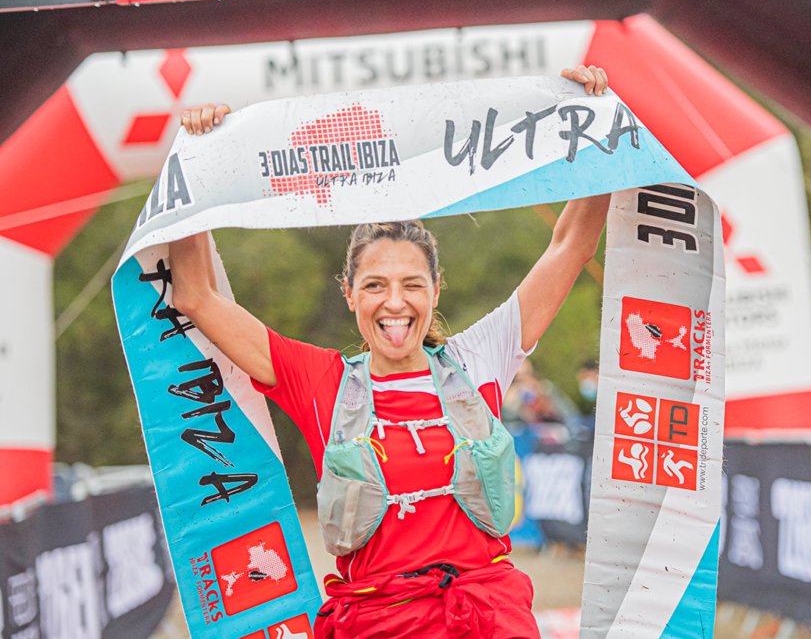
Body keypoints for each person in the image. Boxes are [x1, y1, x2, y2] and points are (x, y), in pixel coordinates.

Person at [170, 65, 610, 639]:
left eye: (412, 284)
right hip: (381, 623)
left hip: (486, 618)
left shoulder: (478, 359)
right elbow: (197, 296)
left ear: (434, 291)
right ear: (349, 293)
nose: (394, 303)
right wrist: (198, 161)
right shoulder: (322, 381)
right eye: (375, 284)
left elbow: (572, 244)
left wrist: (597, 122)